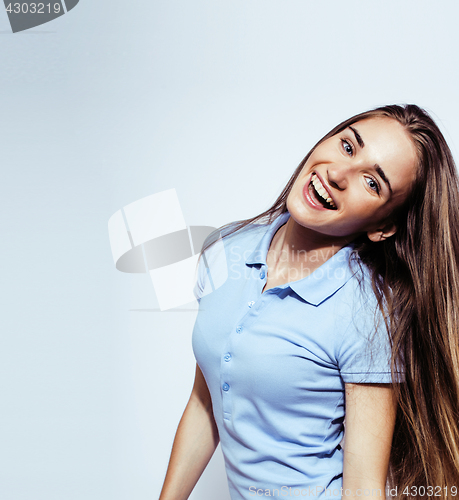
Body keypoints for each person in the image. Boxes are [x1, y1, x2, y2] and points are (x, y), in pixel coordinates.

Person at [158, 104, 459, 500]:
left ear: (383, 226)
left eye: (372, 183)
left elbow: (363, 487)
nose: (336, 174)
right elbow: (204, 402)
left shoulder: (366, 313)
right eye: (348, 146)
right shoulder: (225, 248)